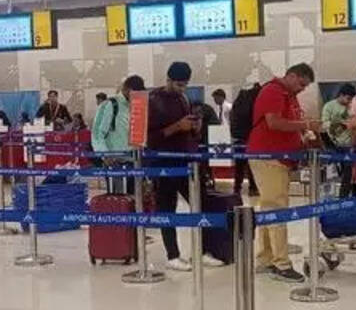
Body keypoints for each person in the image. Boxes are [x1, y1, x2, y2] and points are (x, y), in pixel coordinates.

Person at [147, 61, 222, 271]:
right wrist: (177, 126)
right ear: (168, 80)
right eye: (179, 85)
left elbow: (188, 132)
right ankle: (172, 255)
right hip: (163, 163)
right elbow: (150, 138)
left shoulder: (183, 98)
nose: (182, 88)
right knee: (167, 208)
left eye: (185, 85)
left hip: (186, 161)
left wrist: (194, 128)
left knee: (201, 204)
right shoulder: (153, 101)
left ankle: (203, 250)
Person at [248, 63, 319, 283]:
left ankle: (265, 258)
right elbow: (274, 122)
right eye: (301, 84)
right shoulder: (273, 91)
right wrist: (306, 125)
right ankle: (281, 264)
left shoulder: (289, 95)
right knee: (277, 208)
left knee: (269, 207)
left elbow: (289, 123)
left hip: (278, 158)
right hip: (269, 157)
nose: (302, 89)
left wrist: (303, 135)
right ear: (291, 76)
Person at [93, 75, 144, 195]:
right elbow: (97, 134)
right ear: (127, 89)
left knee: (135, 200)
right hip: (115, 163)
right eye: (135, 93)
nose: (137, 96)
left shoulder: (137, 105)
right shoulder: (110, 105)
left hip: (134, 162)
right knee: (118, 201)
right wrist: (105, 155)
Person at [321, 83, 356, 197]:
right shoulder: (329, 106)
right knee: (330, 173)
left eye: (351, 99)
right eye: (348, 98)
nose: (349, 101)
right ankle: (328, 197)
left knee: (347, 174)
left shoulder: (352, 107)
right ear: (341, 95)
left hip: (348, 145)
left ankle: (343, 198)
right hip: (332, 145)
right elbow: (324, 124)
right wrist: (340, 124)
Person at [228, 83, 261, 196]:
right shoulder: (255, 100)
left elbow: (232, 118)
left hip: (238, 138)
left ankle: (237, 188)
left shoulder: (239, 101)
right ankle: (253, 188)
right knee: (252, 164)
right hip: (251, 137)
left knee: (239, 166)